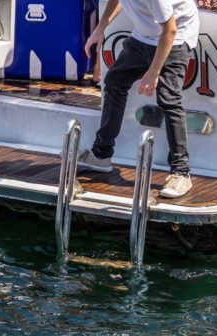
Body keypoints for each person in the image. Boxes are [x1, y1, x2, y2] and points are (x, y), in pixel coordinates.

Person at [77, 0, 198, 199]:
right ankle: (101, 155)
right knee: (114, 83)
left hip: (175, 37)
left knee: (169, 99)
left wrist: (153, 72)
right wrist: (101, 27)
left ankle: (181, 172)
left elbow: (170, 30)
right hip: (144, 36)